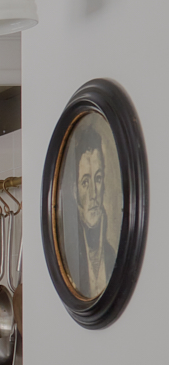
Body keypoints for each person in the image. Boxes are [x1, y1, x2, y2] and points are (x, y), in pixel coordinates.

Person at [67, 122, 116, 297]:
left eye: (98, 179)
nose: (94, 194)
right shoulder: (68, 257)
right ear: (74, 191)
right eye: (85, 182)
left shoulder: (113, 255)